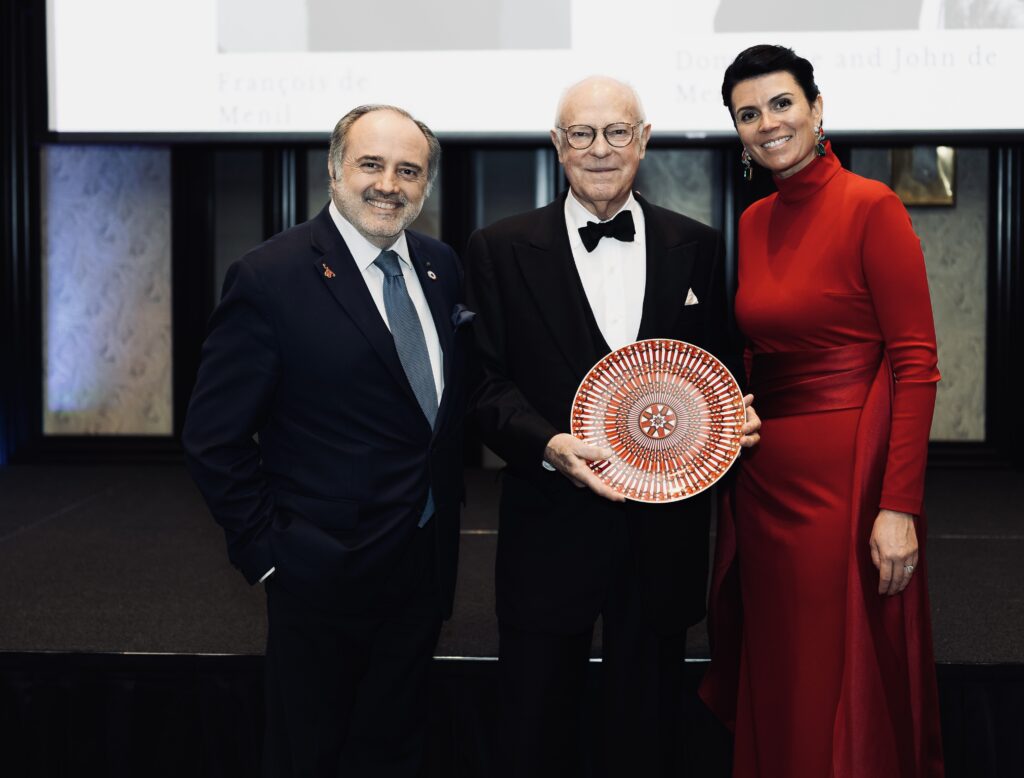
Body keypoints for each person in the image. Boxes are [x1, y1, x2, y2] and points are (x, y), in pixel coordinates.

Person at [464, 75, 761, 778]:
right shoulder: (499, 247)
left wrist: (732, 417)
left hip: (662, 541)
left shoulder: (699, 244)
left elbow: (713, 370)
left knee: (648, 734)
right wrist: (545, 444)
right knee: (533, 730)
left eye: (617, 132)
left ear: (645, 139)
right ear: (557, 145)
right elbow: (481, 384)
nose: (600, 149)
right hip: (549, 529)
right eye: (582, 134)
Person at [182, 104, 473, 778]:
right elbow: (213, 437)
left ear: (426, 184)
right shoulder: (270, 276)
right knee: (309, 755)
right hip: (319, 575)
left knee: (395, 750)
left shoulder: (439, 265)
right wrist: (269, 554)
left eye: (409, 170)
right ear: (335, 170)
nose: (389, 184)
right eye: (372, 164)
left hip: (422, 569)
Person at [699, 45, 945, 777]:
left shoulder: (873, 206)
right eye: (749, 113)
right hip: (764, 478)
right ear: (738, 132)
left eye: (781, 104)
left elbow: (916, 363)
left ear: (816, 107)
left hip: (850, 485)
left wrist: (898, 504)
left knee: (839, 670)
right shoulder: (754, 223)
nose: (768, 123)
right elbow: (759, 351)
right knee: (781, 663)